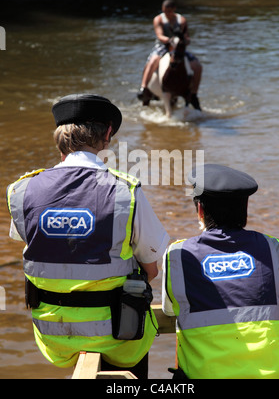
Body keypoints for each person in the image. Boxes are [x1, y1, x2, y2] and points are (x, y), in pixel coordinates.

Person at [7, 93, 170, 378]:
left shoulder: (22, 191)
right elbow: (152, 269)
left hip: (54, 336)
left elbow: (36, 246)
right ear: (107, 134)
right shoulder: (125, 192)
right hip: (119, 335)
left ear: (58, 137)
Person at [162, 163, 279, 379]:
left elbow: (170, 309)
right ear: (244, 211)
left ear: (200, 210)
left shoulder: (178, 254)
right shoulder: (277, 249)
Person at [137, 0, 202, 109]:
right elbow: (159, 35)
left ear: (174, 10)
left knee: (197, 66)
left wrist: (183, 41)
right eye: (165, 11)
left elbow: (186, 36)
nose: (167, 14)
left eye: (169, 11)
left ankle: (194, 94)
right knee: (153, 61)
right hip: (163, 46)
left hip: (177, 47)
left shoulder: (181, 20)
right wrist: (170, 40)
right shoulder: (158, 19)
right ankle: (144, 88)